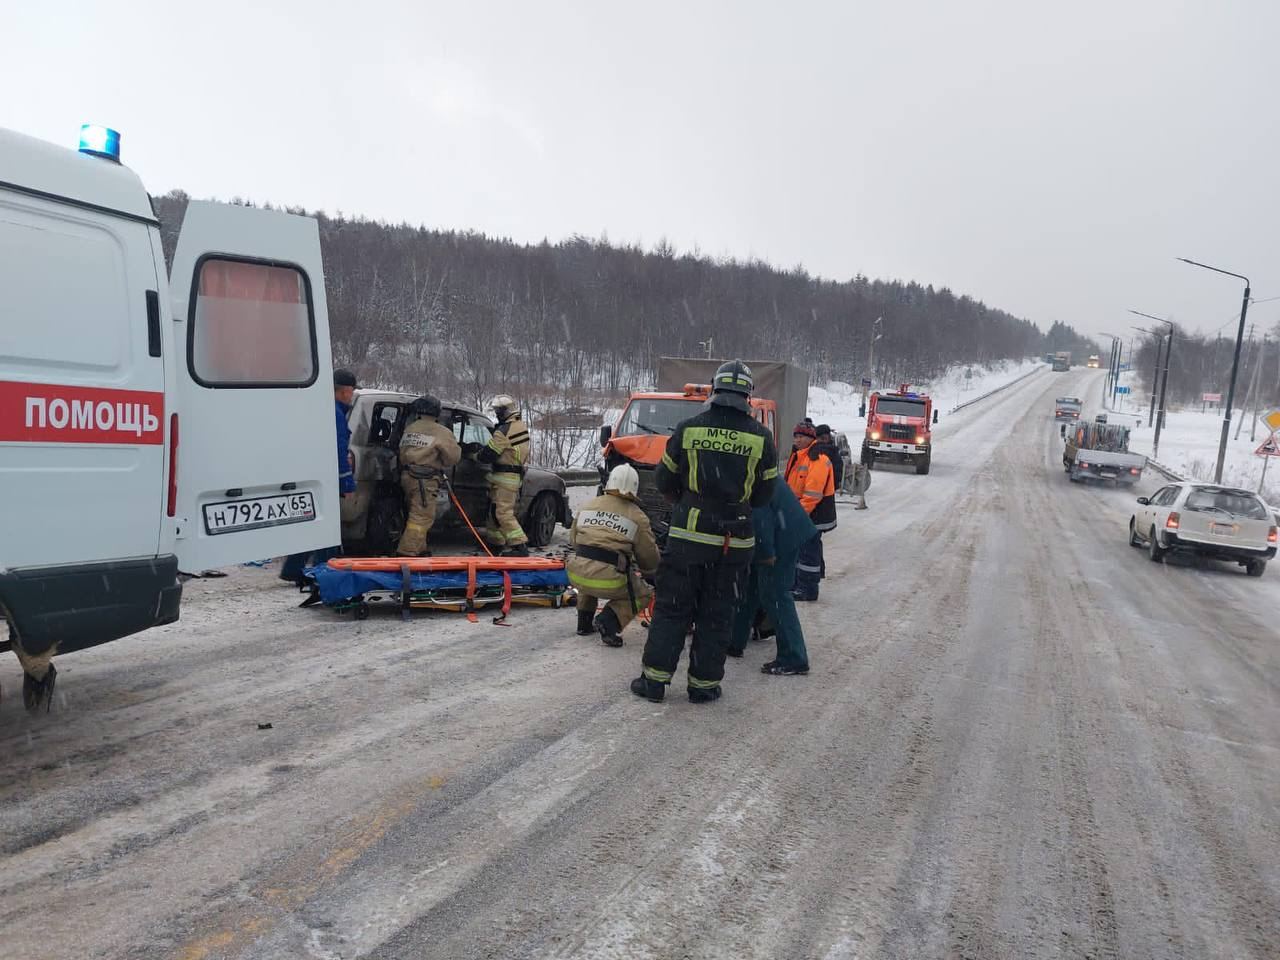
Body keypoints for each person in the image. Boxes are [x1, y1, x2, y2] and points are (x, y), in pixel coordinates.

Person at [630, 359, 778, 704]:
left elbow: (664, 481)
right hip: (733, 543)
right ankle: (704, 685)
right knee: (718, 613)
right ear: (748, 395)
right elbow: (764, 496)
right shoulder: (761, 439)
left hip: (687, 538)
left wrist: (690, 501)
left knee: (672, 609)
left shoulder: (688, 429)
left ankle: (654, 682)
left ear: (714, 390)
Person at [728, 480, 816, 674]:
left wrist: (766, 554)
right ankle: (734, 640)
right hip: (780, 528)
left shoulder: (750, 480)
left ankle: (794, 657)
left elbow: (761, 519)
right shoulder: (746, 469)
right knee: (750, 585)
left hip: (782, 536)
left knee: (774, 593)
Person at [568, 464, 659, 647]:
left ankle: (584, 624)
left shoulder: (589, 504)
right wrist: (651, 572)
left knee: (589, 562)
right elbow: (648, 559)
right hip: (607, 579)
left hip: (576, 574)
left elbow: (574, 541)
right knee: (643, 594)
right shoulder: (637, 516)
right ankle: (608, 622)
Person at [280, 369, 358, 584]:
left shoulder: (317, 407)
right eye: (351, 391)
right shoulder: (335, 413)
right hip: (326, 477)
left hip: (310, 473)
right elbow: (338, 450)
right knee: (327, 528)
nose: (351, 395)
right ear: (343, 391)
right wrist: (346, 482)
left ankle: (294, 568)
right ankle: (325, 572)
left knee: (314, 523)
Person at [395, 394, 461, 557]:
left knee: (414, 512)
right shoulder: (441, 432)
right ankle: (407, 553)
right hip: (424, 480)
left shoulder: (410, 428)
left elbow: (402, 452)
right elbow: (453, 458)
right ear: (437, 412)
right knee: (422, 516)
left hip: (407, 476)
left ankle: (421, 549)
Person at [471, 395, 531, 556]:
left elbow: (488, 454)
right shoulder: (519, 425)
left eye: (499, 410)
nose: (497, 413)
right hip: (508, 476)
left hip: (505, 476)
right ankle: (495, 543)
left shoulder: (504, 430)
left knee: (502, 512)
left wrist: (473, 455)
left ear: (507, 410)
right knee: (494, 511)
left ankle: (519, 546)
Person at [785, 421, 836, 601]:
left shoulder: (817, 459)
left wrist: (799, 513)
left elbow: (813, 493)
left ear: (810, 439)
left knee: (808, 551)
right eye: (796, 436)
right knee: (801, 550)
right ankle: (799, 584)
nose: (797, 440)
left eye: (801, 437)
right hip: (803, 511)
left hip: (812, 513)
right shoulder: (799, 455)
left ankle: (808, 588)